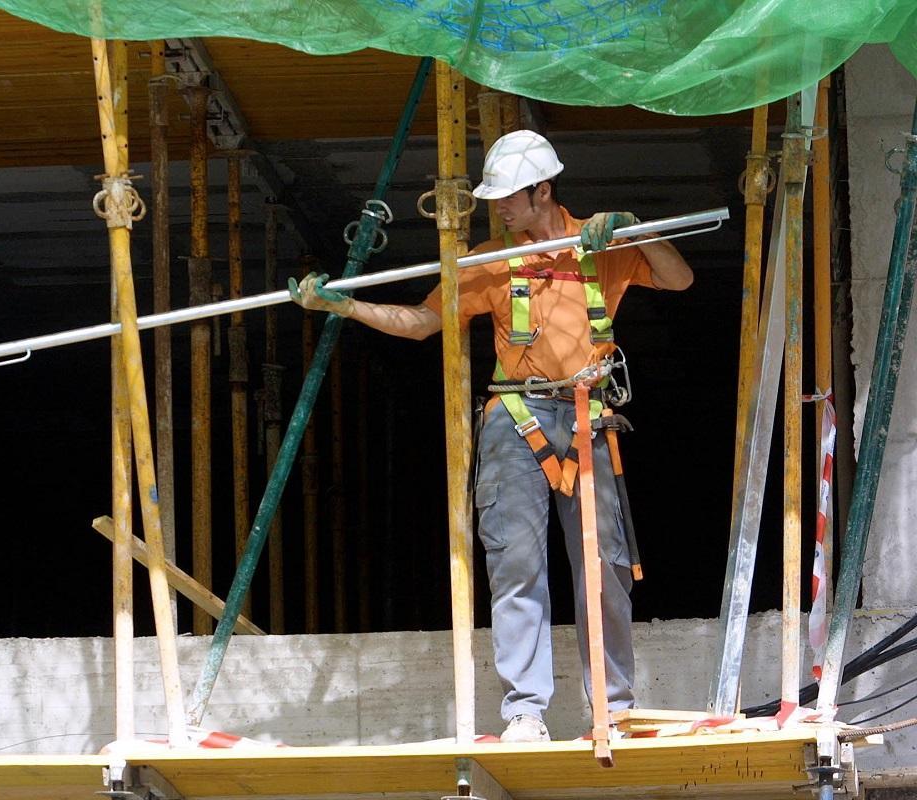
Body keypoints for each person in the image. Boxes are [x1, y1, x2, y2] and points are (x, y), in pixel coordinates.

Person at [288, 130, 693, 742]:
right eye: (495, 197)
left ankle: (614, 706)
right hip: (517, 421)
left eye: (509, 197)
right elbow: (425, 321)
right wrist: (345, 308)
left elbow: (680, 278)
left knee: (602, 566)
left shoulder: (600, 244)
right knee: (517, 565)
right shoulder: (491, 261)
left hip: (588, 416)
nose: (498, 208)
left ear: (544, 190)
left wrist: (635, 229)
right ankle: (526, 712)